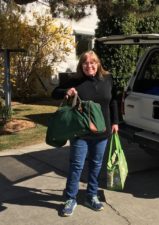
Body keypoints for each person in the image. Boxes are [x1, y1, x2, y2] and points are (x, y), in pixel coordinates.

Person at [52, 50, 119, 217]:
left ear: (98, 64)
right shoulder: (75, 80)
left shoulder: (108, 79)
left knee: (96, 166)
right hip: (80, 133)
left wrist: (116, 122)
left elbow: (114, 101)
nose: (89, 66)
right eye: (86, 63)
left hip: (102, 132)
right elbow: (55, 93)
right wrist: (67, 92)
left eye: (92, 62)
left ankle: (91, 195)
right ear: (81, 65)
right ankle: (70, 198)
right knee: (77, 166)